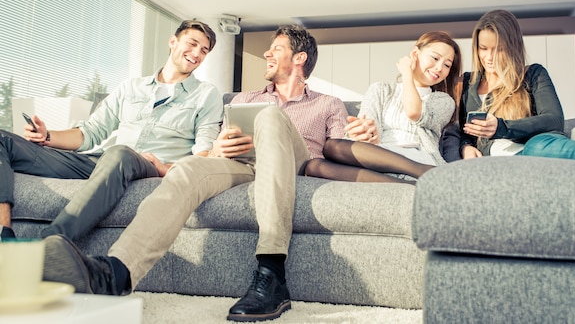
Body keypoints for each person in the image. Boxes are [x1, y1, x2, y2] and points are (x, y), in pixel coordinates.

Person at [42, 25, 354, 322]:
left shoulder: (328, 103)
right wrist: (220, 146)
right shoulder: (244, 99)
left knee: (270, 117)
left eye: (276, 49)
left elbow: (341, 147)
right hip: (245, 163)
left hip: (294, 164)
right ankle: (115, 273)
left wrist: (364, 136)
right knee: (189, 168)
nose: (267, 55)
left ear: (299, 58)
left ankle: (272, 272)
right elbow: (215, 145)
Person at [0, 20, 223, 241]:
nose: (197, 53)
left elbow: (203, 155)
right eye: (192, 43)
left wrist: (165, 168)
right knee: (3, 139)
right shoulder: (131, 87)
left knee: (120, 153)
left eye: (204, 50)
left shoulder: (206, 94)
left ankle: (48, 245)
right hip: (105, 162)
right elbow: (91, 132)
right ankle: (4, 234)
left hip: (147, 166)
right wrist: (47, 136)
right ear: (173, 42)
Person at [459, 9, 575, 161]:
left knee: (535, 147)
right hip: (502, 158)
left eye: (499, 49)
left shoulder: (533, 74)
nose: (490, 57)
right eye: (483, 48)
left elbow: (554, 119)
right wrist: (465, 147)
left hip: (537, 146)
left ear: (512, 47)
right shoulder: (469, 82)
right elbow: (462, 131)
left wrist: (501, 127)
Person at [305, 31, 462, 183]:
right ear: (415, 53)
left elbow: (414, 112)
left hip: (418, 157)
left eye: (447, 65)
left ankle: (425, 171)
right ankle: (410, 186)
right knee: (318, 163)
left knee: (332, 149)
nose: (439, 68)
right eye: (435, 58)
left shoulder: (443, 101)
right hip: (379, 156)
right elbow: (370, 131)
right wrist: (368, 133)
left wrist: (407, 73)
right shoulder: (380, 90)